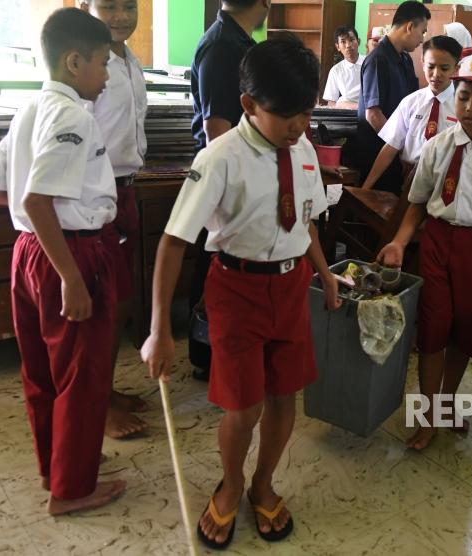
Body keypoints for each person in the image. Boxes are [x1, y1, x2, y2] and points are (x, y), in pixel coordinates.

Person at [141, 36, 342, 549]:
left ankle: (263, 482)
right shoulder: (220, 158)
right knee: (243, 406)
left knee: (283, 397)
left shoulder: (302, 151)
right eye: (287, 115)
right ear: (249, 105)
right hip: (237, 290)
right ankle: (231, 485)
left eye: (307, 111)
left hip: (291, 286)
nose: (299, 125)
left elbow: (307, 224)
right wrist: (159, 329)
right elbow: (171, 242)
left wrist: (325, 275)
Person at [0, 8, 126, 514]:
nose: (107, 76)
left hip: (29, 252)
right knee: (82, 377)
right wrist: (70, 273)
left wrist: (41, 234)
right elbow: (36, 201)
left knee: (42, 372)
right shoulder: (72, 116)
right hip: (69, 252)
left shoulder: (27, 110)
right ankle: (71, 491)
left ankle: (57, 466)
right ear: (74, 61)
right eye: (103, 63)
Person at [378, 54, 472, 450]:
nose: (470, 108)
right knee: (432, 330)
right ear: (455, 96)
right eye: (464, 97)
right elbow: (417, 202)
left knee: (465, 329)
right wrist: (399, 240)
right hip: (437, 242)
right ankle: (429, 413)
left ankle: (446, 402)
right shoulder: (438, 146)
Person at [80, 0, 149, 440]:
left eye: (129, 5)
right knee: (101, 305)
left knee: (120, 301)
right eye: (109, 5)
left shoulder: (127, 57)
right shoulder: (85, 63)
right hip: (96, 195)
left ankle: (104, 388)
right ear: (85, 6)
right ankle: (95, 404)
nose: (121, 15)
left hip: (125, 188)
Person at [188, 0, 267, 381]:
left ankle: (223, 352)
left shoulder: (239, 42)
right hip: (223, 178)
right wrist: (236, 186)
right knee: (215, 265)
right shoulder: (222, 47)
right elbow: (216, 128)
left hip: (235, 171)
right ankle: (209, 356)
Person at [361, 35, 462, 190]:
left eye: (444, 68)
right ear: (422, 62)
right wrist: (366, 187)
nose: (436, 74)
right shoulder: (411, 102)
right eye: (431, 66)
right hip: (410, 180)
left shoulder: (462, 107)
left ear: (456, 68)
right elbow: (390, 147)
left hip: (448, 182)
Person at [357, 1, 430, 194]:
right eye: (422, 32)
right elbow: (373, 115)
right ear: (410, 26)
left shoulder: (404, 59)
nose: (423, 39)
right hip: (378, 152)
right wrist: (398, 148)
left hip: (397, 154)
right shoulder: (378, 59)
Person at [322, 25, 364, 109]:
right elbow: (331, 103)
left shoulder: (370, 63)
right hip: (346, 112)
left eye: (351, 40)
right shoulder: (336, 70)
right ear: (338, 47)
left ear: (358, 42)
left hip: (368, 110)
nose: (348, 45)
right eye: (343, 42)